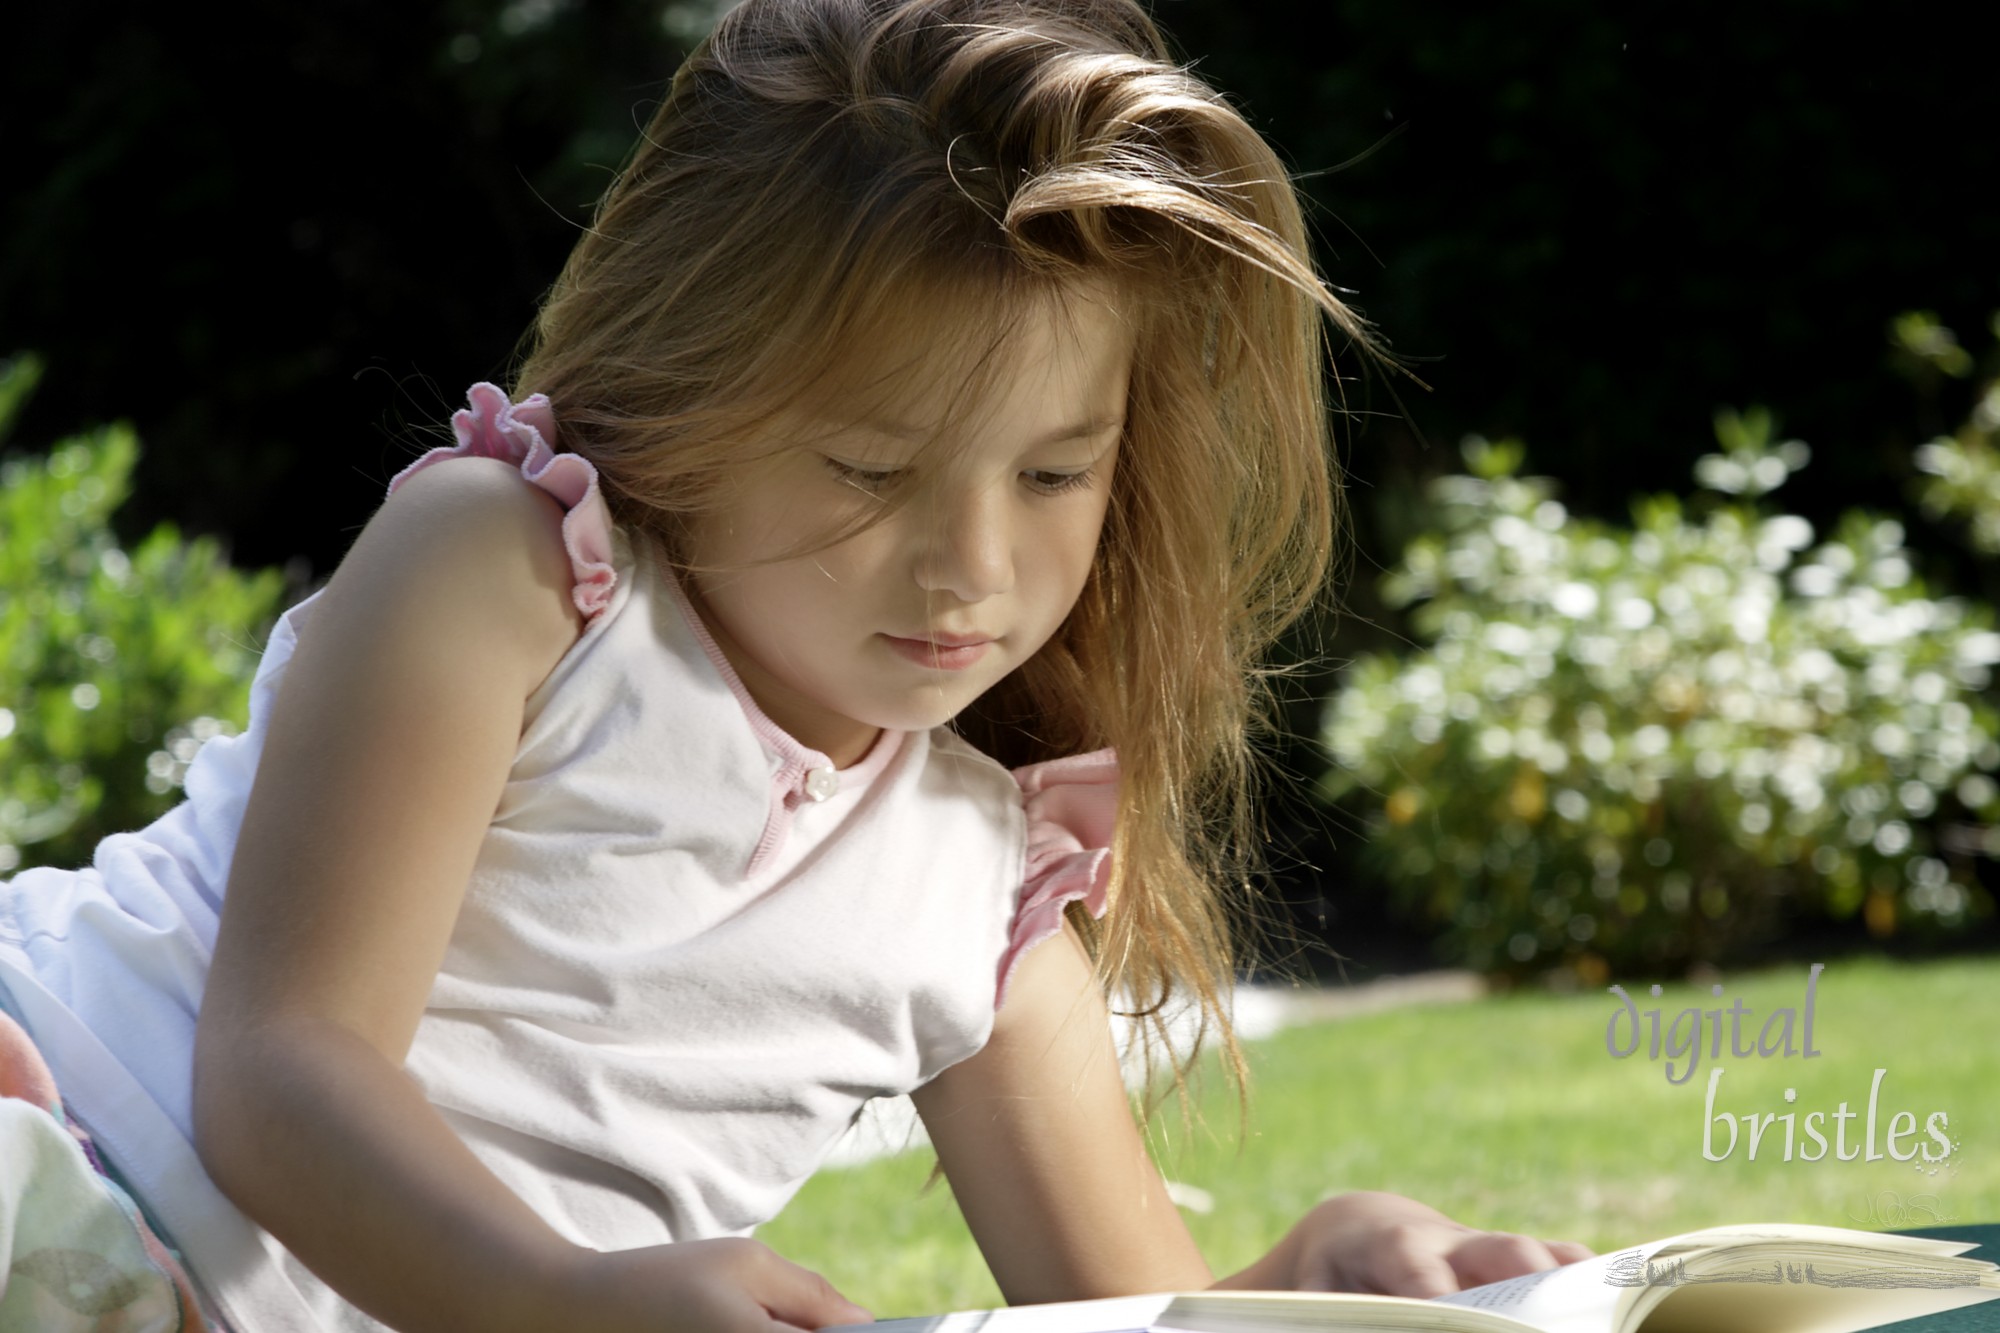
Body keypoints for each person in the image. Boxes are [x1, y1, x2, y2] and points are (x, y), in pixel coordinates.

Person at [0, 1, 1592, 1329]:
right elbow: (284, 1073)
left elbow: (1126, 1318)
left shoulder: (982, 889)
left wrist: (1323, 1280)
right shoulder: (512, 573)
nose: (971, 566)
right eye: (870, 469)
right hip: (52, 1131)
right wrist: (562, 1300)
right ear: (697, 396)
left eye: (1052, 475)